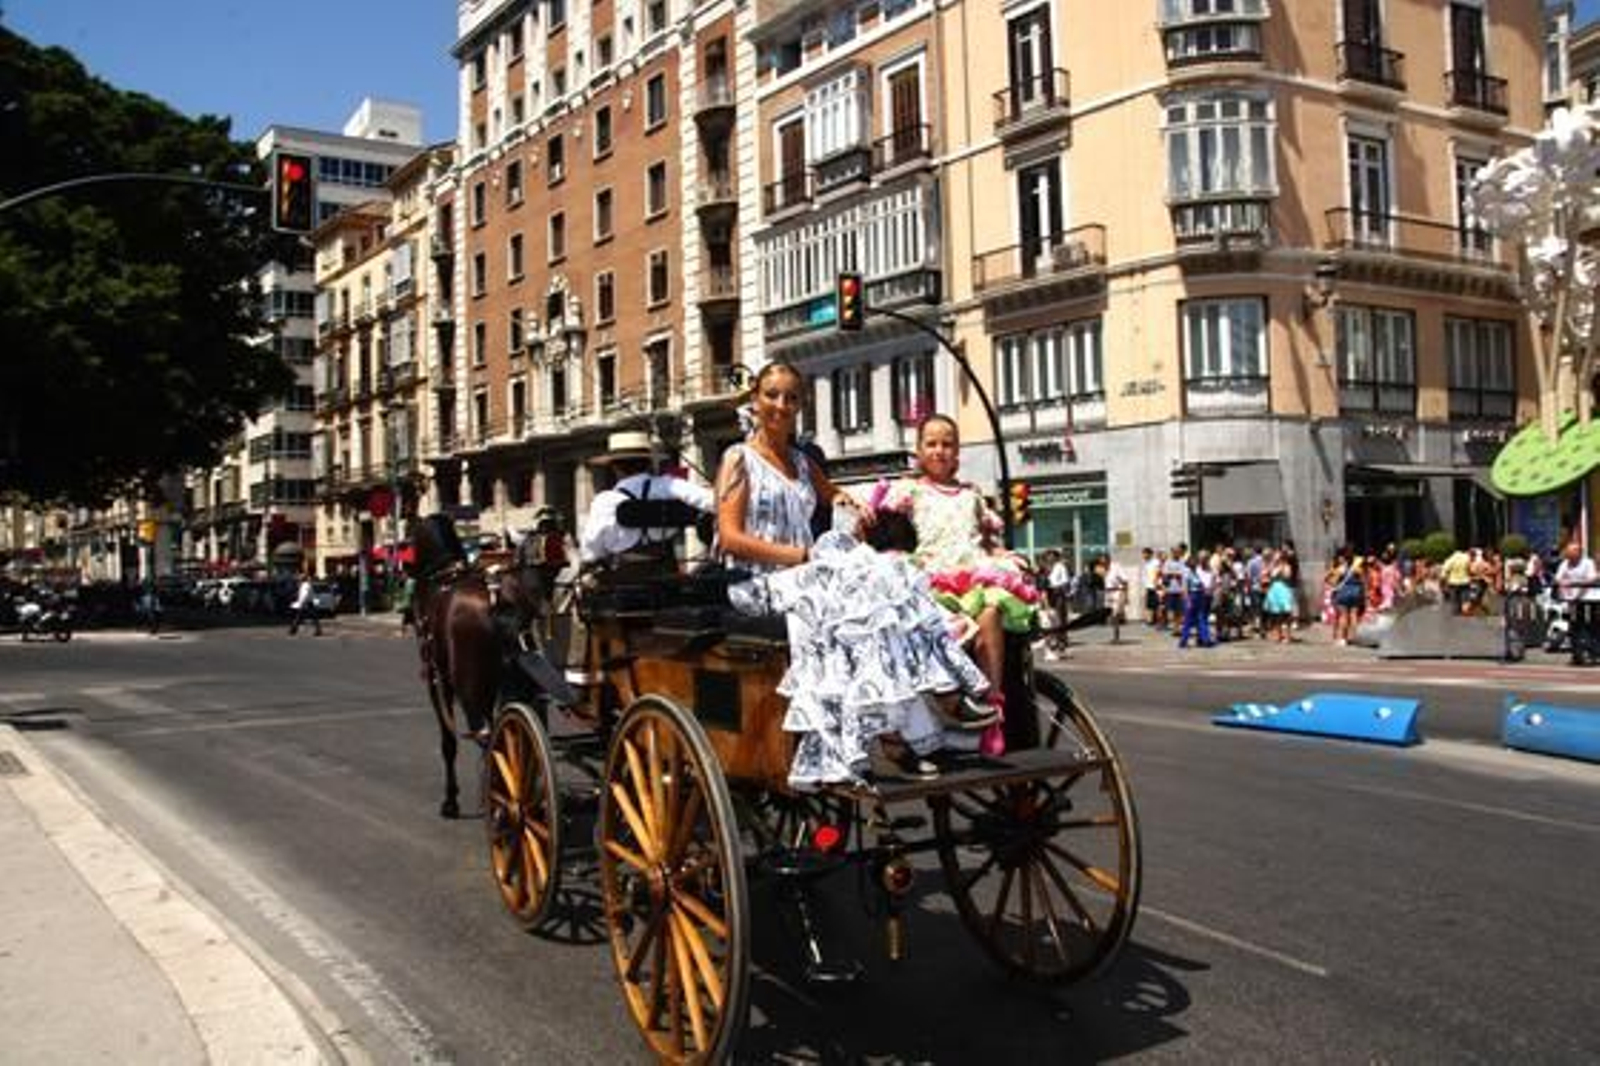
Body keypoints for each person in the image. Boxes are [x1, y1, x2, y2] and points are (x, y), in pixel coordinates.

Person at [715, 363, 985, 786]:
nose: (781, 405)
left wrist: (852, 504)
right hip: (757, 583)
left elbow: (835, 493)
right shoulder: (738, 459)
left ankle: (941, 699)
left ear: (801, 405)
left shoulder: (802, 462)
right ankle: (902, 735)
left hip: (808, 576)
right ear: (755, 400)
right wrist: (800, 555)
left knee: (887, 580)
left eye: (790, 397)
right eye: (771, 395)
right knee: (857, 599)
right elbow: (730, 538)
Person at [874, 414, 1038, 725]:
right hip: (934, 578)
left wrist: (1008, 557)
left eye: (947, 444)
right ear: (919, 450)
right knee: (943, 624)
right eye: (931, 443)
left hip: (974, 575)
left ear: (957, 452)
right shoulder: (911, 491)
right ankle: (948, 694)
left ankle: (992, 703)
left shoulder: (971, 495)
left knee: (991, 612)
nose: (939, 450)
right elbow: (887, 534)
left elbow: (985, 542)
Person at [578, 429, 714, 565]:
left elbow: (591, 550)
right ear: (649, 463)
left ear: (614, 467)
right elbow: (712, 502)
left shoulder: (605, 501)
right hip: (667, 572)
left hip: (623, 576)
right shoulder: (669, 485)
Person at [1554, 540, 1599, 666]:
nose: (1569, 554)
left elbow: (1592, 579)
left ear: (1579, 553)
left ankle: (1594, 655)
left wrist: (1576, 589)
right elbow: (1558, 578)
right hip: (1572, 601)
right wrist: (1563, 586)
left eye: (1573, 551)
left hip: (1589, 600)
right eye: (1568, 551)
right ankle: (1577, 655)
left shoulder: (1587, 563)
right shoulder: (1565, 563)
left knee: (1591, 628)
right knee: (1574, 628)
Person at [1327, 547, 1364, 645]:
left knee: (1344, 616)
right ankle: (1356, 637)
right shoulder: (1357, 567)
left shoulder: (1341, 568)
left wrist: (1331, 577)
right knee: (1354, 615)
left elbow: (1333, 582)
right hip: (1356, 592)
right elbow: (1362, 578)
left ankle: (1344, 639)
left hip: (1344, 592)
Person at [288, 571, 322, 636]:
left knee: (301, 617)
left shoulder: (305, 585)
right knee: (304, 617)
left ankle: (293, 630)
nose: (299, 579)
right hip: (307, 603)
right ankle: (293, 629)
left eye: (300, 578)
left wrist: (301, 603)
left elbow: (305, 595)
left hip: (307, 603)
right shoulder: (304, 585)